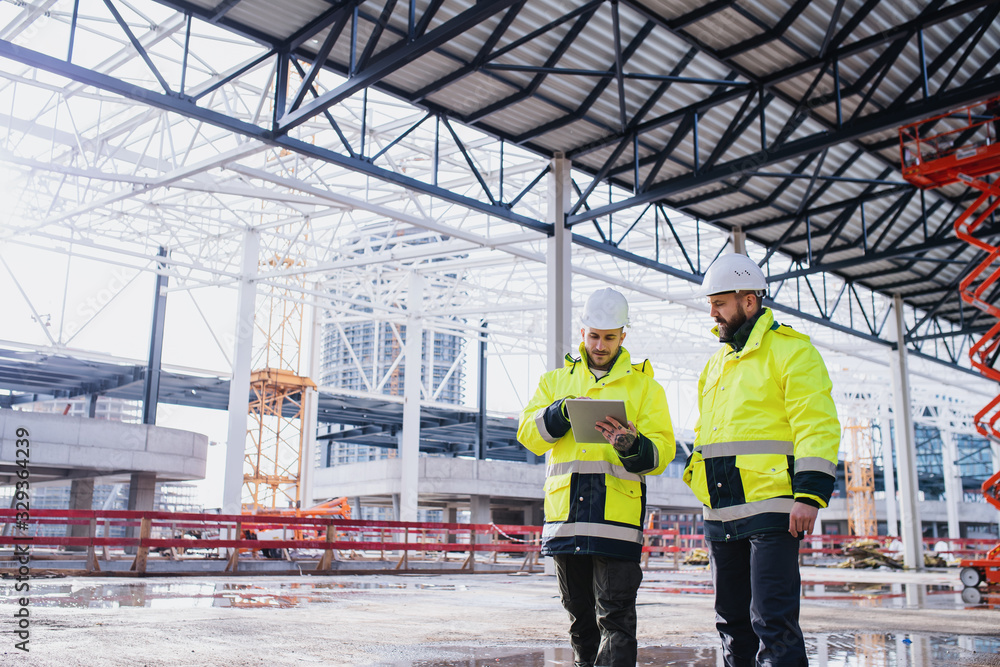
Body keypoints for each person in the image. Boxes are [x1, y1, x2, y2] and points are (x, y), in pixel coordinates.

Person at [683, 253, 840, 667]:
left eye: (719, 303)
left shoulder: (791, 351)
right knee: (732, 624)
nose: (712, 312)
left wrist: (809, 493)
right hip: (721, 514)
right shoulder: (715, 365)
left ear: (748, 301)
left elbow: (816, 424)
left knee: (772, 622)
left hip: (774, 511)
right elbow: (708, 435)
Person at [517, 287, 675, 667]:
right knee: (580, 622)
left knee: (616, 619)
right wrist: (560, 413)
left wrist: (631, 445)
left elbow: (662, 453)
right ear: (582, 332)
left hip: (615, 521)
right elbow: (528, 434)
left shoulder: (645, 388)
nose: (600, 345)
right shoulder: (554, 382)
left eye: (609, 337)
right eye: (594, 336)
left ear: (623, 336)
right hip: (566, 519)